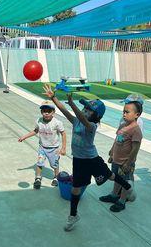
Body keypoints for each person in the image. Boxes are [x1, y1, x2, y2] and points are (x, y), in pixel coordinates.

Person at [42, 84, 135, 232]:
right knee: (75, 189)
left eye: (88, 110)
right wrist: (53, 98)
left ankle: (128, 187)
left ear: (96, 116)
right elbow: (64, 111)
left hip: (92, 160)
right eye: (84, 109)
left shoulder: (91, 125)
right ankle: (73, 215)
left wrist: (72, 104)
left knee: (110, 176)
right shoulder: (77, 121)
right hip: (79, 161)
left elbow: (82, 119)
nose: (85, 111)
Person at [99, 95, 143, 212]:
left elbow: (135, 148)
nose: (124, 114)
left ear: (137, 115)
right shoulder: (123, 125)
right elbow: (116, 139)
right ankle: (114, 195)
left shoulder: (136, 130)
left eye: (127, 112)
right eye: (123, 111)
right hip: (116, 160)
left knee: (124, 182)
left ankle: (122, 201)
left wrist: (128, 163)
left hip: (125, 162)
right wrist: (112, 152)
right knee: (117, 178)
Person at [18, 100, 66, 189]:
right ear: (41, 112)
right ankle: (38, 178)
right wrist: (24, 137)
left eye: (49, 111)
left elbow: (63, 133)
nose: (46, 113)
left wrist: (63, 148)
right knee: (39, 163)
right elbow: (36, 131)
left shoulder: (57, 123)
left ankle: (56, 177)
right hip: (42, 147)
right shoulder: (39, 121)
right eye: (44, 111)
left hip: (54, 148)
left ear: (53, 112)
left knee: (54, 164)